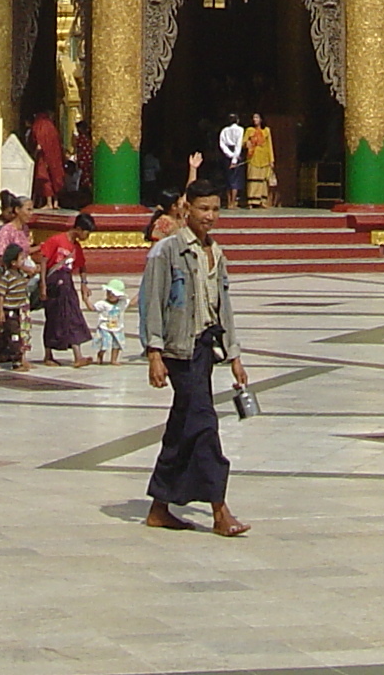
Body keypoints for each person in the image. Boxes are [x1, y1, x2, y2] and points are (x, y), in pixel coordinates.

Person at [139, 180, 250, 536]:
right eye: (204, 209)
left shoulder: (216, 253)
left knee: (182, 426)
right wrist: (154, 353)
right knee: (204, 424)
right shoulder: (167, 251)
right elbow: (151, 302)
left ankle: (160, 505)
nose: (210, 217)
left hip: (204, 348)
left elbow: (224, 307)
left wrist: (234, 355)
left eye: (216, 209)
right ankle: (220, 509)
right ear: (187, 208)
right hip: (177, 350)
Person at [0, 202, 35, 370]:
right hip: (7, 280)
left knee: (24, 321)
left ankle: (21, 356)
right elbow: (2, 258)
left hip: (20, 282)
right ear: (17, 210)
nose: (30, 213)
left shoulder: (25, 230)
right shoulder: (6, 231)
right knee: (0, 323)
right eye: (28, 209)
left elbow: (25, 253)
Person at [39, 210, 93, 365]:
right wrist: (43, 285)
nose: (86, 237)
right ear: (79, 229)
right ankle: (48, 354)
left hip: (67, 284)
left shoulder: (76, 248)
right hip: (53, 283)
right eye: (86, 233)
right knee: (53, 316)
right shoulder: (57, 240)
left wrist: (84, 285)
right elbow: (44, 261)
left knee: (72, 315)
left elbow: (82, 266)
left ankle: (78, 355)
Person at [91, 278, 129, 362]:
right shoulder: (103, 304)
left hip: (117, 327)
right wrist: (86, 299)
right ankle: (100, 354)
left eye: (113, 294)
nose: (110, 296)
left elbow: (132, 303)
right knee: (104, 344)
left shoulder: (122, 303)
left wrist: (141, 294)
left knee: (117, 344)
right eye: (108, 293)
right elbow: (92, 308)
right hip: (105, 327)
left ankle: (114, 359)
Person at [243, 113, 273, 209]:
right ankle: (251, 201)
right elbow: (243, 143)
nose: (255, 119)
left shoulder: (266, 131)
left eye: (257, 117)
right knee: (253, 179)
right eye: (253, 117)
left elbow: (269, 146)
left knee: (263, 181)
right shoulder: (249, 130)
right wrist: (246, 144)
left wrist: (271, 160)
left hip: (264, 158)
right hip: (253, 158)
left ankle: (262, 200)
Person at [219, 114, 248, 208]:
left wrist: (229, 155)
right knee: (235, 180)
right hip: (236, 154)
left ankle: (229, 202)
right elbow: (238, 144)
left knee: (228, 179)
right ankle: (232, 202)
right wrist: (234, 158)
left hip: (226, 155)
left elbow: (222, 145)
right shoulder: (240, 130)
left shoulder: (224, 130)